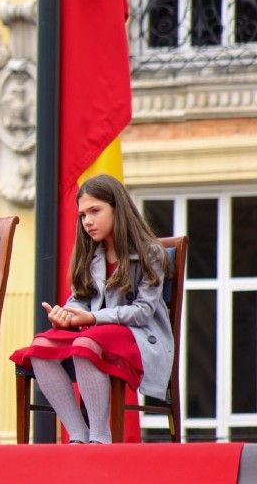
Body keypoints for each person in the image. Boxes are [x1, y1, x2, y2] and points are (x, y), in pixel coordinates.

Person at [10, 174, 172, 444]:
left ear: (118, 209)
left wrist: (92, 318)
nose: (87, 221)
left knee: (86, 341)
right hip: (96, 333)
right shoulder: (90, 252)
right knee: (40, 347)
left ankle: (99, 435)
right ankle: (78, 435)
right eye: (83, 215)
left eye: (95, 211)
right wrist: (66, 314)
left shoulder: (150, 252)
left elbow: (142, 312)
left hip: (139, 336)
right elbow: (80, 298)